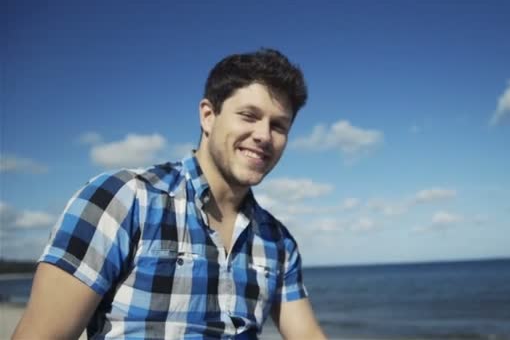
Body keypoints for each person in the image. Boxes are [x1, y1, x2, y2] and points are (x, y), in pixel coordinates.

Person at [13, 48, 327, 340]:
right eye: (249, 116)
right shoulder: (122, 199)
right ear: (208, 115)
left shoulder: (277, 242)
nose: (263, 135)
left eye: (279, 126)